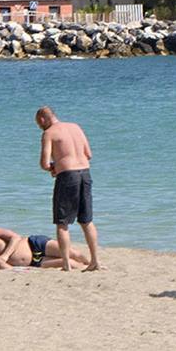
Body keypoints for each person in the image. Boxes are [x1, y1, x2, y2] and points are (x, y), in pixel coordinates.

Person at [37, 106, 100, 273]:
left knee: (62, 223)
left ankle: (66, 264)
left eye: (38, 124)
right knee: (86, 221)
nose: (40, 127)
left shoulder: (49, 133)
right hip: (85, 173)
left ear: (42, 119)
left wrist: (53, 167)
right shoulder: (75, 127)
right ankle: (95, 261)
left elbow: (44, 163)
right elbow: (89, 154)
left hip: (67, 177)